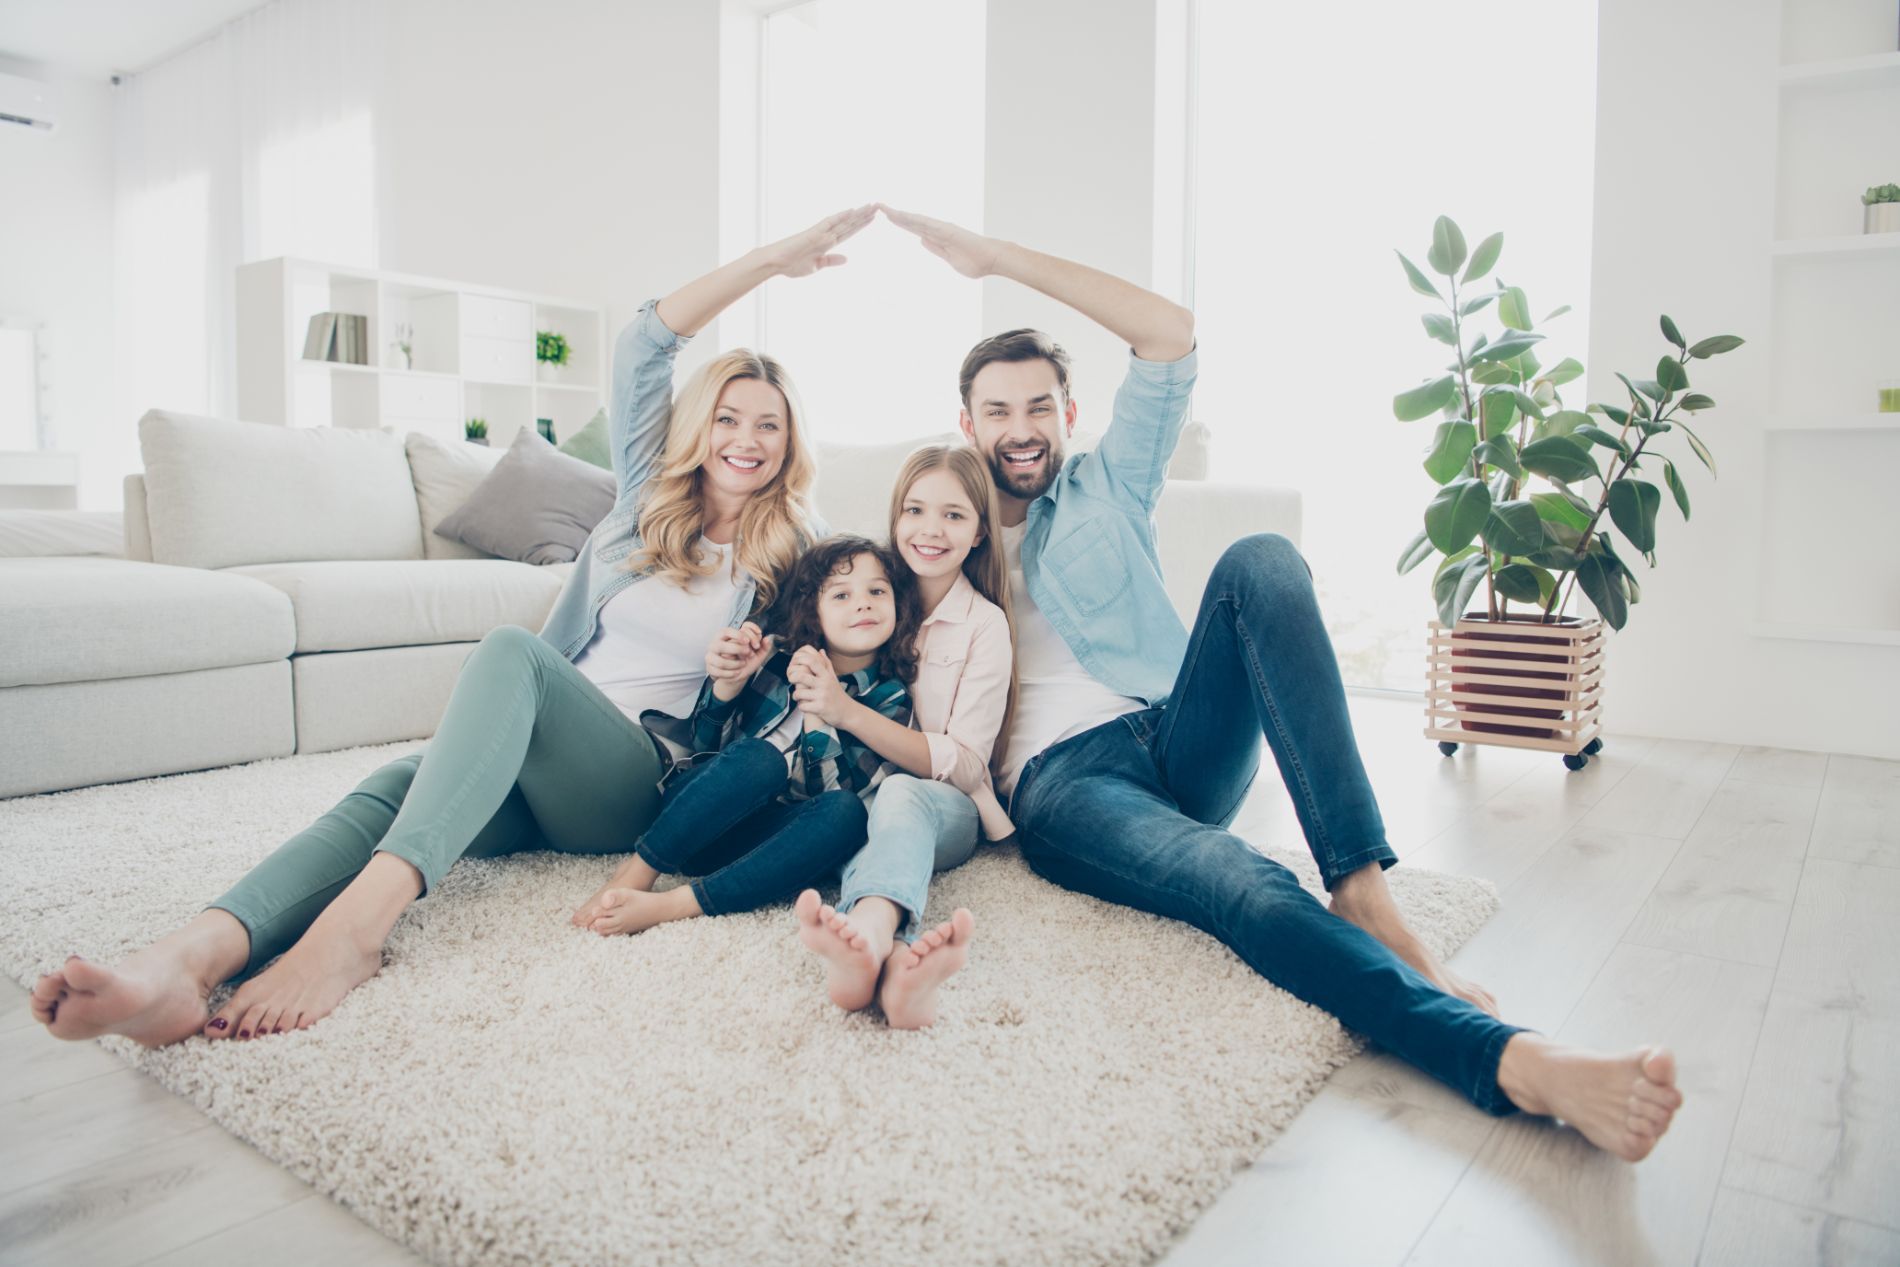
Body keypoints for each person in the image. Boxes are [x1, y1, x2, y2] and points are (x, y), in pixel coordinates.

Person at [881, 204, 1684, 1162]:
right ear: (966, 423)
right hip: (1066, 786)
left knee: (1262, 558)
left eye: (1039, 406)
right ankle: (1509, 1061)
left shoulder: (1105, 486)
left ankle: (1359, 883)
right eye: (998, 411)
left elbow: (1169, 337)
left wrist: (1000, 257)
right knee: (1244, 882)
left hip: (1176, 733)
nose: (1020, 430)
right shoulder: (930, 539)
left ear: (1069, 414)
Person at [27, 205, 879, 1048]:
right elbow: (642, 345)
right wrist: (771, 261)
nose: (746, 438)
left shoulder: (796, 553)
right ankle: (185, 958)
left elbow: (781, 712)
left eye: (769, 423)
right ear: (700, 427)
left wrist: (730, 678)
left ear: (790, 441)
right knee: (399, 787)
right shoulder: (643, 499)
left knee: (510, 653)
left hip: (637, 780)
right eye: (729, 417)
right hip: (545, 759)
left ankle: (355, 933)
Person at [570, 536, 917, 936]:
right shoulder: (774, 660)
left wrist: (822, 712)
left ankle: (675, 904)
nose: (863, 603)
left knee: (848, 815)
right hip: (694, 820)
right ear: (813, 612)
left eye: (877, 591)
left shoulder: (889, 697)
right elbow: (704, 750)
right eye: (841, 595)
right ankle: (639, 869)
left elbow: (829, 793)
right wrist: (727, 687)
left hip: (760, 847)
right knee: (759, 757)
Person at [795, 445, 1017, 1029]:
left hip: (946, 807)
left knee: (898, 795)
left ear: (978, 535)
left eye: (953, 515)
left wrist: (847, 712)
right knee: (858, 811)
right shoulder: (870, 594)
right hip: (856, 802)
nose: (930, 530)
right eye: (915, 510)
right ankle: (892, 969)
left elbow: (966, 763)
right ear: (895, 520)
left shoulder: (983, 626)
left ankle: (865, 930)